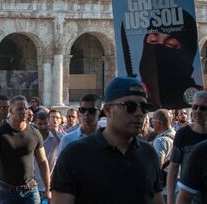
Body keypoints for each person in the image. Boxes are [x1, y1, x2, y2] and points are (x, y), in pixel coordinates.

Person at [51, 76, 163, 204]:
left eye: (144, 107)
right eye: (130, 106)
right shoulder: (75, 154)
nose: (138, 113)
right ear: (108, 110)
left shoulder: (148, 154)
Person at [0, 95, 51, 204]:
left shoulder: (34, 133)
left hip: (31, 190)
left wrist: (48, 189)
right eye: (19, 109)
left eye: (26, 108)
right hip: (7, 192)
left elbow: (42, 162)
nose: (24, 111)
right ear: (10, 111)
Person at [166, 91, 207, 204]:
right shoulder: (183, 134)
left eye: (203, 108)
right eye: (195, 107)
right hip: (190, 199)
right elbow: (173, 168)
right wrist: (170, 199)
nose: (197, 111)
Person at [138, 10, 202, 109]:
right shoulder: (134, 99)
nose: (158, 50)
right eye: (153, 41)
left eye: (171, 44)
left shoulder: (198, 98)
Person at [151, 109, 176, 200]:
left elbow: (158, 166)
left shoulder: (161, 141)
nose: (152, 123)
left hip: (163, 189)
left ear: (159, 123)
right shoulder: (176, 134)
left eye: (152, 120)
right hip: (174, 184)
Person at [34, 112, 59, 197]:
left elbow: (65, 147)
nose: (43, 127)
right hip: (33, 186)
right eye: (40, 124)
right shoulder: (31, 138)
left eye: (45, 123)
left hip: (50, 185)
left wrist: (55, 134)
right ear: (35, 123)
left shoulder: (55, 137)